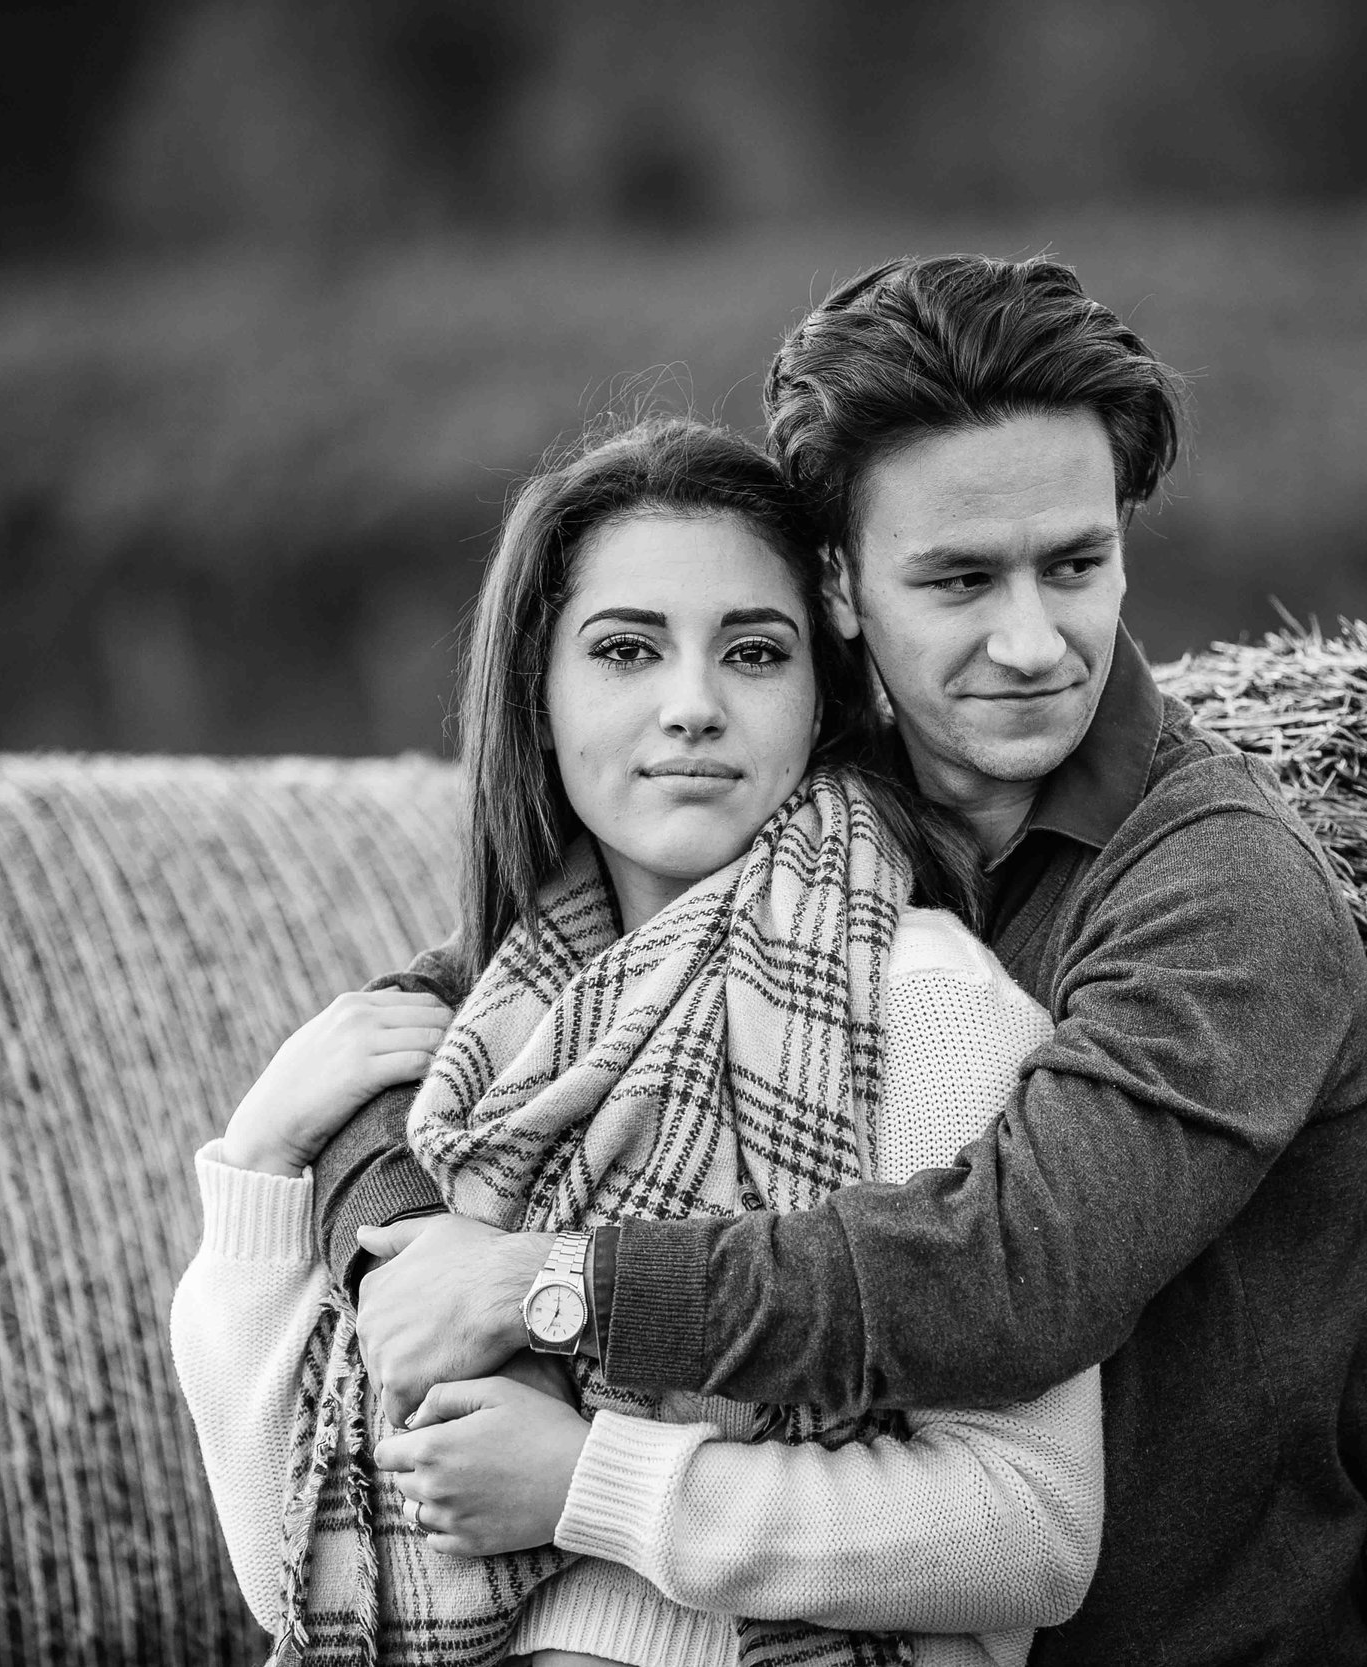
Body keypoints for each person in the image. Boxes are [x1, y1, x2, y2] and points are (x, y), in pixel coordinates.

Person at [321, 256, 1367, 1666]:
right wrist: (394, 1232)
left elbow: (1012, 1274)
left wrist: (545, 1284)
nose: (1030, 640)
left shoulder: (1222, 889)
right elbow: (440, 1021)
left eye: (1074, 564)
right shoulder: (807, 807)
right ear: (837, 585)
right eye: (958, 578)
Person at [172, 416, 1103, 1667]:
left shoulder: (927, 1005)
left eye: (754, 653)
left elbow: (1032, 1527)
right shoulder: (487, 1041)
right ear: (537, 699)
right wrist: (261, 1164)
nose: (692, 707)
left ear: (822, 699)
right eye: (625, 650)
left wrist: (593, 1484)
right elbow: (287, 1559)